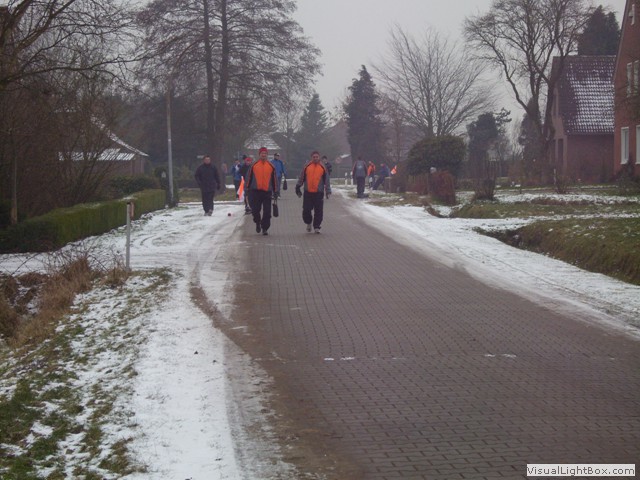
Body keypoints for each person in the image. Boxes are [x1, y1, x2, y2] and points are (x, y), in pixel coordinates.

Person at [295, 151, 331, 233]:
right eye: (314, 157)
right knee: (306, 210)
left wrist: (328, 191)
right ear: (311, 157)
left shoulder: (323, 167)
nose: (315, 158)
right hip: (308, 192)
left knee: (318, 211)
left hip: (319, 192)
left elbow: (327, 180)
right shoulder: (307, 166)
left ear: (319, 157)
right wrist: (298, 186)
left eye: (317, 157)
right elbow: (301, 177)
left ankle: (317, 226)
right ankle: (308, 222)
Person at [246, 147, 278, 235]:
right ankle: (257, 222)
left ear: (267, 155)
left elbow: (274, 180)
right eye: (262, 153)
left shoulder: (271, 166)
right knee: (255, 210)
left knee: (267, 212)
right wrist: (247, 189)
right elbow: (249, 178)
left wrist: (276, 191)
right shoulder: (254, 165)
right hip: (255, 192)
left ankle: (265, 228)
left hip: (267, 192)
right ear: (259, 155)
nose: (263, 155)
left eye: (265, 153)